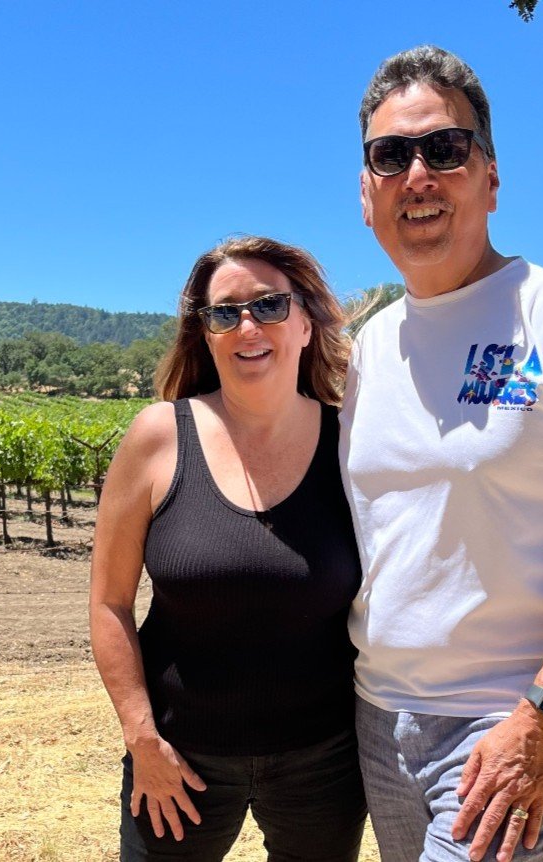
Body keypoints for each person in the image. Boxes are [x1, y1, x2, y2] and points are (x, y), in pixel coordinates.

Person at [339, 46, 543, 862]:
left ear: (490, 177)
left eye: (444, 149)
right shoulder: (367, 351)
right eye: (391, 155)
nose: (418, 174)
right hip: (382, 718)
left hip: (512, 715)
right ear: (365, 194)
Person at [89, 235, 366, 861]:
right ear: (205, 334)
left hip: (322, 762)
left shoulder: (351, 443)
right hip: (178, 760)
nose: (248, 325)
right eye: (224, 312)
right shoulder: (158, 438)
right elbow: (108, 603)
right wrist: (142, 740)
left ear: (304, 322)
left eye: (269, 305)